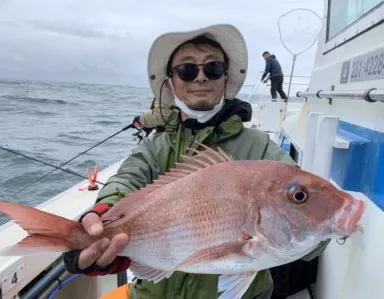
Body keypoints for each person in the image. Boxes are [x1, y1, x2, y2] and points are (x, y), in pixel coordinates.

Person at [63, 24, 329, 299]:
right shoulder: (154, 147)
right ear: (170, 82)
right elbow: (126, 179)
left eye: (212, 68)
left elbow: (307, 211)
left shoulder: (259, 147)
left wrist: (325, 226)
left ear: (225, 78)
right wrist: (101, 218)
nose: (200, 78)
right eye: (187, 70)